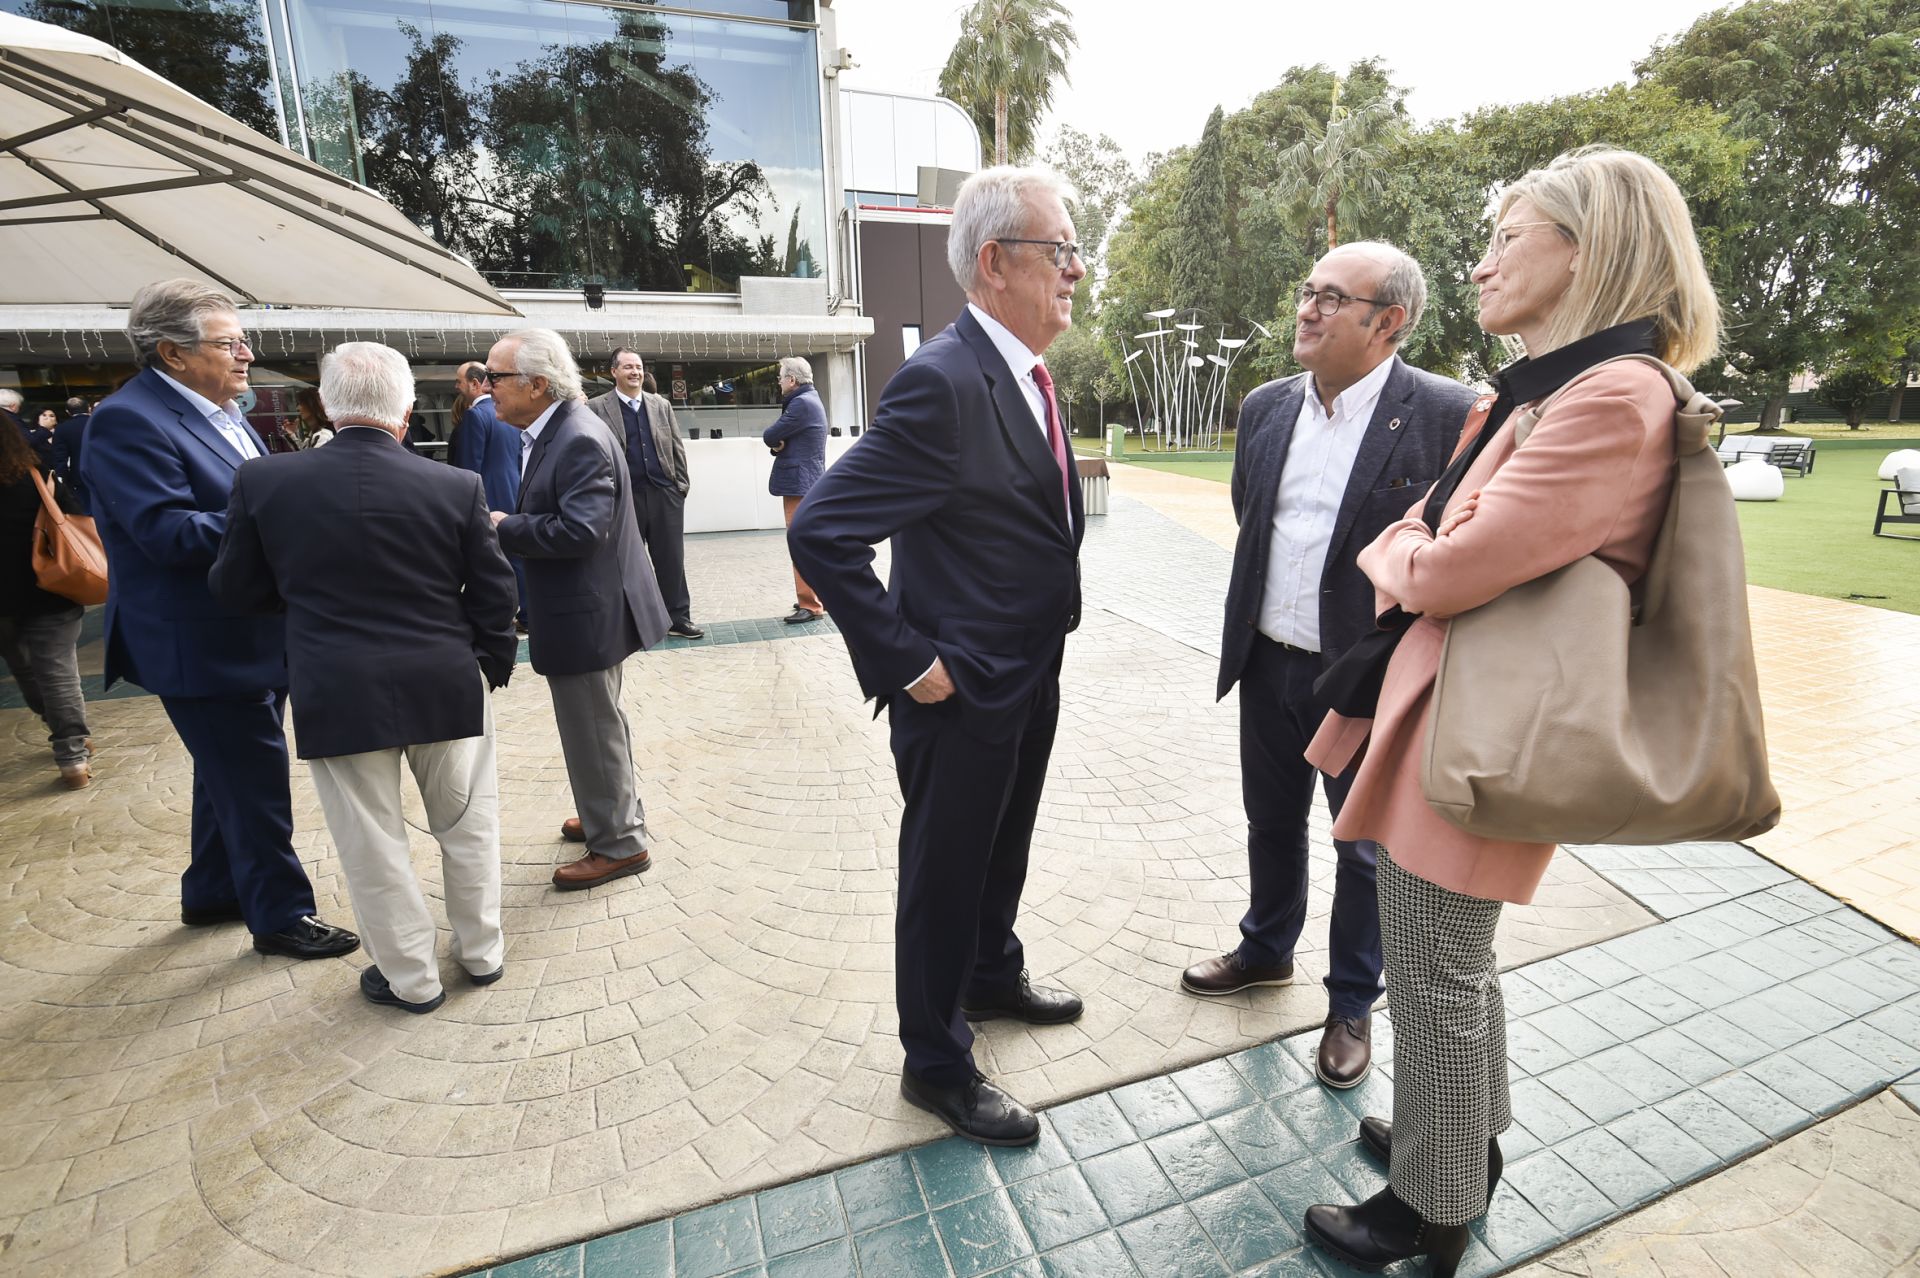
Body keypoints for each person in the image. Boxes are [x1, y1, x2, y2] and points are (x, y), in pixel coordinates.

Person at [1299, 147, 1723, 1276]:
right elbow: (1444, 544)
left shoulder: (1611, 396)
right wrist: (1422, 550)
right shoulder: (1552, 388)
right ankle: (1459, 1144)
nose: (1481, 263)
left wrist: (1407, 554)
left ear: (1588, 252)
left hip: (1485, 725)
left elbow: (1443, 567)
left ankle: (1426, 1211)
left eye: (1508, 237)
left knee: (1433, 970)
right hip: (1458, 709)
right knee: (1450, 961)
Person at [788, 165, 1088, 1147]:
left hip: (1025, 671)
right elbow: (822, 530)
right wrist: (910, 662)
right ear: (996, 263)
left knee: (1003, 847)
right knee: (944, 873)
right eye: (1062, 250)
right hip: (957, 692)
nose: (1078, 270)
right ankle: (936, 1062)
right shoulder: (944, 381)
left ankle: (990, 976)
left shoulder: (1030, 372)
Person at [1186, 243, 1475, 1091]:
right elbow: (1255, 520)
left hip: (1363, 681)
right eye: (1307, 291)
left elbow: (1450, 546)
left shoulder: (1444, 414)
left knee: (1363, 847)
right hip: (1269, 663)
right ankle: (1265, 949)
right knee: (1270, 821)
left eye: (1330, 298)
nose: (1306, 309)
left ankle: (1352, 1002)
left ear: (1388, 322)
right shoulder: (1268, 406)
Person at [211, 343, 518, 1013]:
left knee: (371, 843)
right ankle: (482, 952)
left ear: (324, 406)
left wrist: (304, 611)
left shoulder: (264, 482)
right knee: (467, 824)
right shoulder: (455, 486)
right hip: (446, 678)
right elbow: (495, 594)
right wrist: (490, 666)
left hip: (335, 683)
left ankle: (409, 979)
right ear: (406, 414)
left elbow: (235, 588)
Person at [80, 278, 358, 961]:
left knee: (226, 772)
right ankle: (281, 915)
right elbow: (166, 533)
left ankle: (211, 891)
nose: (246, 355)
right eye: (230, 343)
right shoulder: (127, 421)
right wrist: (290, 514)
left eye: (244, 340)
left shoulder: (224, 410)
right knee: (253, 778)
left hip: (250, 632)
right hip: (199, 642)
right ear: (172, 354)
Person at [487, 329, 672, 889]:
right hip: (587, 606)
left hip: (586, 612)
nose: (483, 386)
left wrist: (505, 527)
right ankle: (608, 813)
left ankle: (619, 844)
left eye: (495, 377)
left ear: (537, 384)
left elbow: (581, 530)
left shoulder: (576, 437)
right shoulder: (560, 428)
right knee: (601, 723)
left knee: (593, 727)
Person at [0, 416, 92, 788]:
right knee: (58, 672)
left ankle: (55, 722)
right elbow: (77, 516)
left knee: (23, 667)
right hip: (52, 588)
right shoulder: (37, 477)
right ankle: (71, 757)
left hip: (2, 601)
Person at [585, 348, 702, 639]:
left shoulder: (660, 404)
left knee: (671, 559)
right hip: (624, 497)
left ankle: (678, 617)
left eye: (637, 367)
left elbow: (676, 447)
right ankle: (632, 620)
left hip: (664, 493)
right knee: (626, 560)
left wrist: (680, 487)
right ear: (613, 372)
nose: (634, 372)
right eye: (627, 367)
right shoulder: (596, 408)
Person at [451, 359, 528, 630]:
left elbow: (469, 467)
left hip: (487, 497)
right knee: (517, 555)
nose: (457, 386)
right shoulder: (508, 413)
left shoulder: (476, 416)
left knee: (491, 560)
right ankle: (528, 613)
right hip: (514, 491)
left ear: (474, 384)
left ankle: (499, 615)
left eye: (459, 381)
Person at [762, 356, 829, 624]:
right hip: (808, 481)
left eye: (780, 378)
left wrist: (777, 443)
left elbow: (770, 434)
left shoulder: (800, 404)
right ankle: (814, 595)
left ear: (792, 380)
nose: (779, 383)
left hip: (800, 484)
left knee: (800, 543)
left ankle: (810, 605)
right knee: (809, 543)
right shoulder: (810, 400)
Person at [50, 397, 90, 513]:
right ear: (88, 408)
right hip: (105, 472)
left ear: (68, 412)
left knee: (85, 510)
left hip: (79, 474)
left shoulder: (62, 428)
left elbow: (60, 457)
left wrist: (61, 477)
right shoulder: (100, 423)